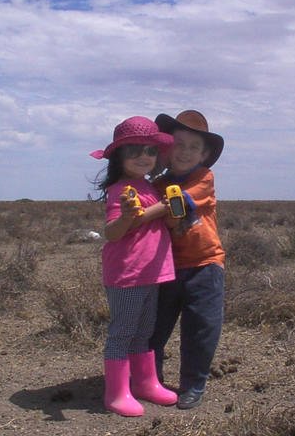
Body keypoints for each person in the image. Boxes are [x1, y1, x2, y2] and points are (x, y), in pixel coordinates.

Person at [90, 116, 178, 417]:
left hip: (150, 272)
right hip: (127, 274)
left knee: (144, 331)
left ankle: (144, 383)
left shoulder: (148, 186)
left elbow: (155, 222)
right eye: (135, 151)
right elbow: (112, 232)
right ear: (119, 157)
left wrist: (171, 212)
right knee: (123, 332)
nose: (144, 156)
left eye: (151, 151)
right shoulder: (120, 189)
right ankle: (116, 393)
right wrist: (141, 213)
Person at [150, 109, 226, 409]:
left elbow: (180, 201)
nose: (185, 152)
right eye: (178, 144)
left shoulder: (203, 177)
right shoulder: (155, 185)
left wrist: (150, 207)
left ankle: (193, 383)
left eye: (193, 147)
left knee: (201, 328)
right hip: (166, 267)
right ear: (167, 146)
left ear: (204, 154)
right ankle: (150, 378)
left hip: (205, 265)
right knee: (153, 328)